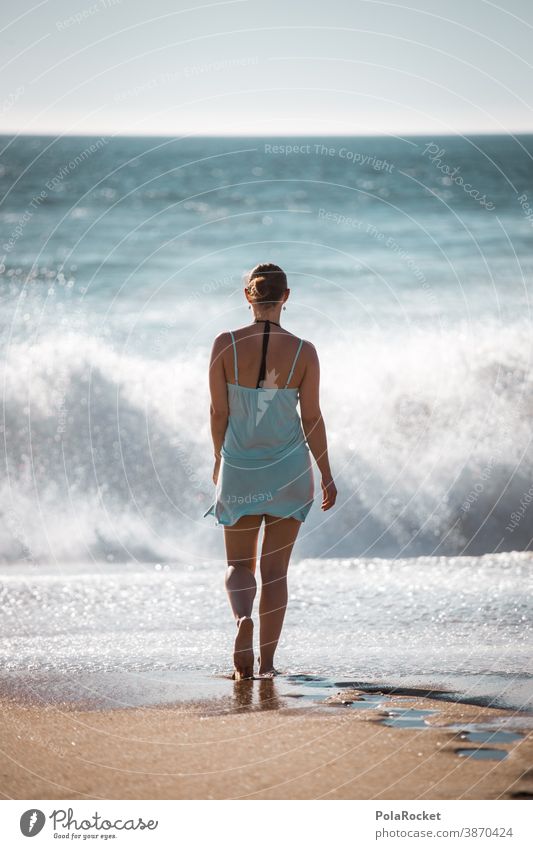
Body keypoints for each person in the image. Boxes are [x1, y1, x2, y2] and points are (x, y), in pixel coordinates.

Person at [204, 263, 337, 680]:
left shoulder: (223, 345)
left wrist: (217, 458)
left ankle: (243, 619)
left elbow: (218, 411)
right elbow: (312, 416)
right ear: (286, 296)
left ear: (247, 296)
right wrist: (327, 473)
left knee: (238, 566)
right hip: (289, 472)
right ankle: (268, 664)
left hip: (240, 470)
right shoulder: (304, 351)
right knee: (275, 573)